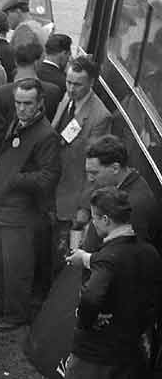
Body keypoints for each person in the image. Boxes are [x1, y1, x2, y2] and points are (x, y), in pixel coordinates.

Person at [39, 188, 162, 379]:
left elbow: (93, 296)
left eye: (95, 219)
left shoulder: (108, 259)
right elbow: (152, 302)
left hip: (94, 352)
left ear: (105, 220)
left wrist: (86, 320)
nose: (93, 224)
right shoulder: (149, 254)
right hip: (127, 347)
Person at [0, 79, 61, 330]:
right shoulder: (18, 123)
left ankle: (16, 314)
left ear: (40, 103)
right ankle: (3, 306)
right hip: (0, 208)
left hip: (20, 213)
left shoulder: (46, 135)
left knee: (16, 267)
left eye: (27, 103)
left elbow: (49, 177)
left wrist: (15, 179)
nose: (22, 108)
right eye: (18, 103)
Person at [51, 56, 112, 254]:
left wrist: (85, 207)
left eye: (77, 84)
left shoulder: (100, 117)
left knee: (63, 253)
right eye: (68, 82)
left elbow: (95, 170)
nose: (71, 88)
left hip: (72, 198)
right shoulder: (67, 97)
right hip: (52, 188)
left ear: (91, 82)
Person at [83, 135, 162, 251]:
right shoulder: (119, 190)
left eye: (95, 173)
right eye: (88, 173)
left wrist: (87, 258)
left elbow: (129, 255)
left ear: (115, 168)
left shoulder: (134, 204)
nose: (90, 179)